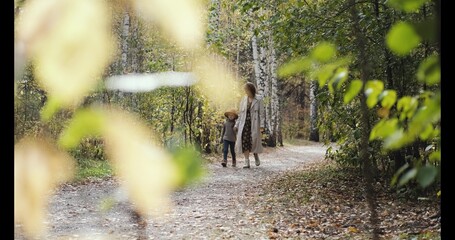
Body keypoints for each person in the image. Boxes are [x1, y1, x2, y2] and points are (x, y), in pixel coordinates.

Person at [234, 82, 265, 168]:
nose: (246, 92)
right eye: (245, 90)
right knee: (245, 142)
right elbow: (240, 113)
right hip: (244, 124)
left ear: (251, 90)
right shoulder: (244, 99)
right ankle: (246, 161)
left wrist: (262, 125)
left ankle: (255, 155)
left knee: (253, 141)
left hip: (254, 124)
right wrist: (237, 125)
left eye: (247, 90)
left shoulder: (259, 99)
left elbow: (261, 113)